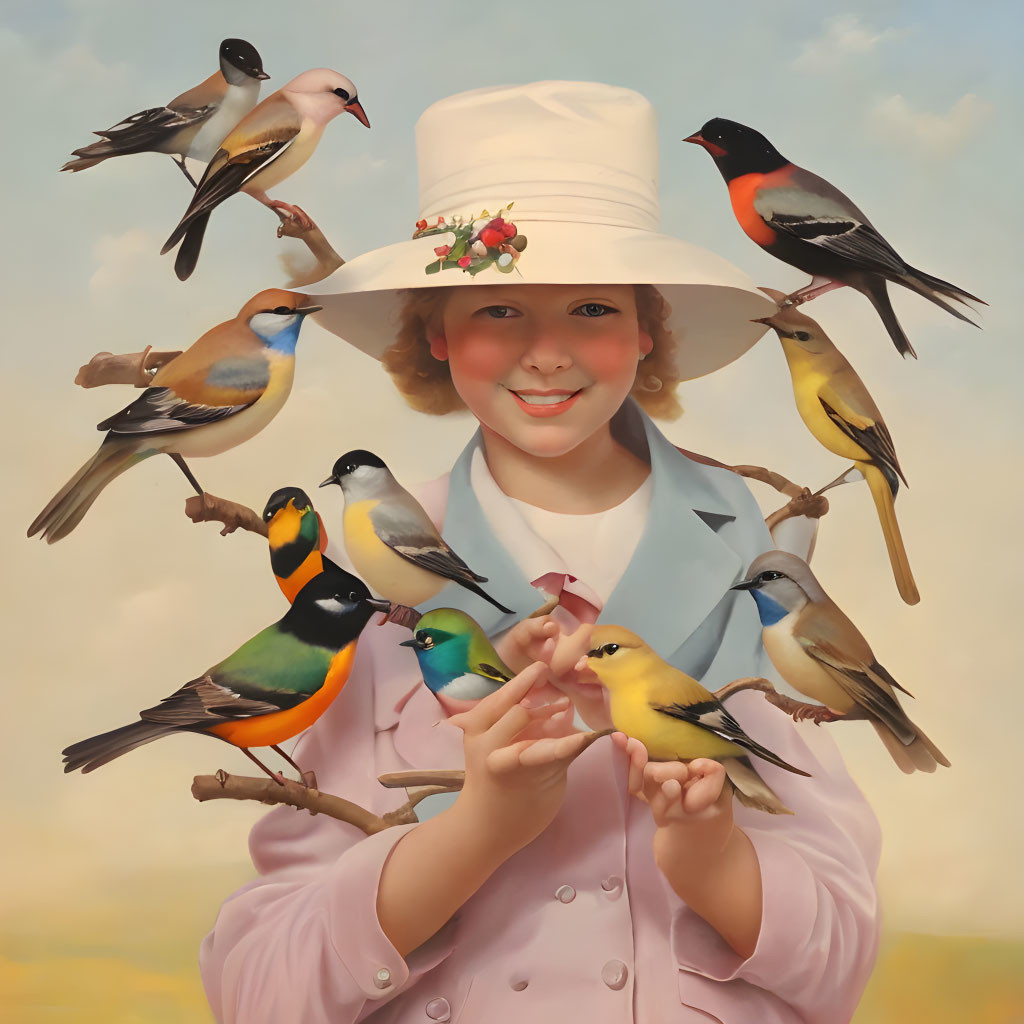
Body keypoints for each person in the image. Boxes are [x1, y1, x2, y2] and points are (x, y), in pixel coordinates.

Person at [200, 81, 881, 1024]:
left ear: (649, 330)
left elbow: (840, 960)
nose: (549, 352)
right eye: (501, 311)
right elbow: (260, 992)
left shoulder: (754, 571)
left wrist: (714, 858)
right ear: (435, 333)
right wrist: (477, 831)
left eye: (594, 308)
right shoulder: (366, 580)